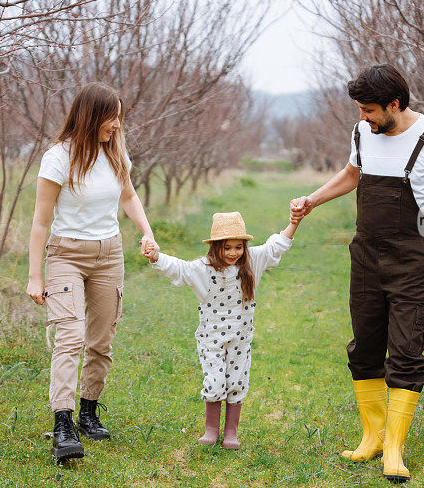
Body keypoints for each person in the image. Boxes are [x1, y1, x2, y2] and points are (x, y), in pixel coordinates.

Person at [290, 65, 424, 483]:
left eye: (370, 110)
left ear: (395, 104)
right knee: (365, 345)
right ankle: (372, 437)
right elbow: (353, 175)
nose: (363, 118)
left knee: (406, 351)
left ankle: (395, 447)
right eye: (359, 110)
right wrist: (312, 200)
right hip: (367, 255)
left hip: (416, 257)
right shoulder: (363, 134)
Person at [26, 83, 156, 461]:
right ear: (91, 116)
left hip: (109, 254)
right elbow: (40, 221)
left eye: (119, 117)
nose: (117, 124)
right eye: (111, 117)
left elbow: (128, 197)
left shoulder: (115, 153)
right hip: (65, 253)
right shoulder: (58, 158)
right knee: (70, 336)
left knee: (101, 339)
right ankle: (63, 423)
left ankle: (88, 411)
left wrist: (148, 234)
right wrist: (35, 276)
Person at [142, 211, 298, 449]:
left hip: (240, 338)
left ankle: (231, 432)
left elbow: (275, 247)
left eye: (238, 247)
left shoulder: (252, 262)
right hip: (211, 339)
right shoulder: (202, 269)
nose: (233, 253)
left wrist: (293, 223)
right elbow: (178, 268)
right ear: (216, 247)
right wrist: (155, 256)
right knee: (214, 381)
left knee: (237, 381)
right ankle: (211, 430)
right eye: (227, 248)